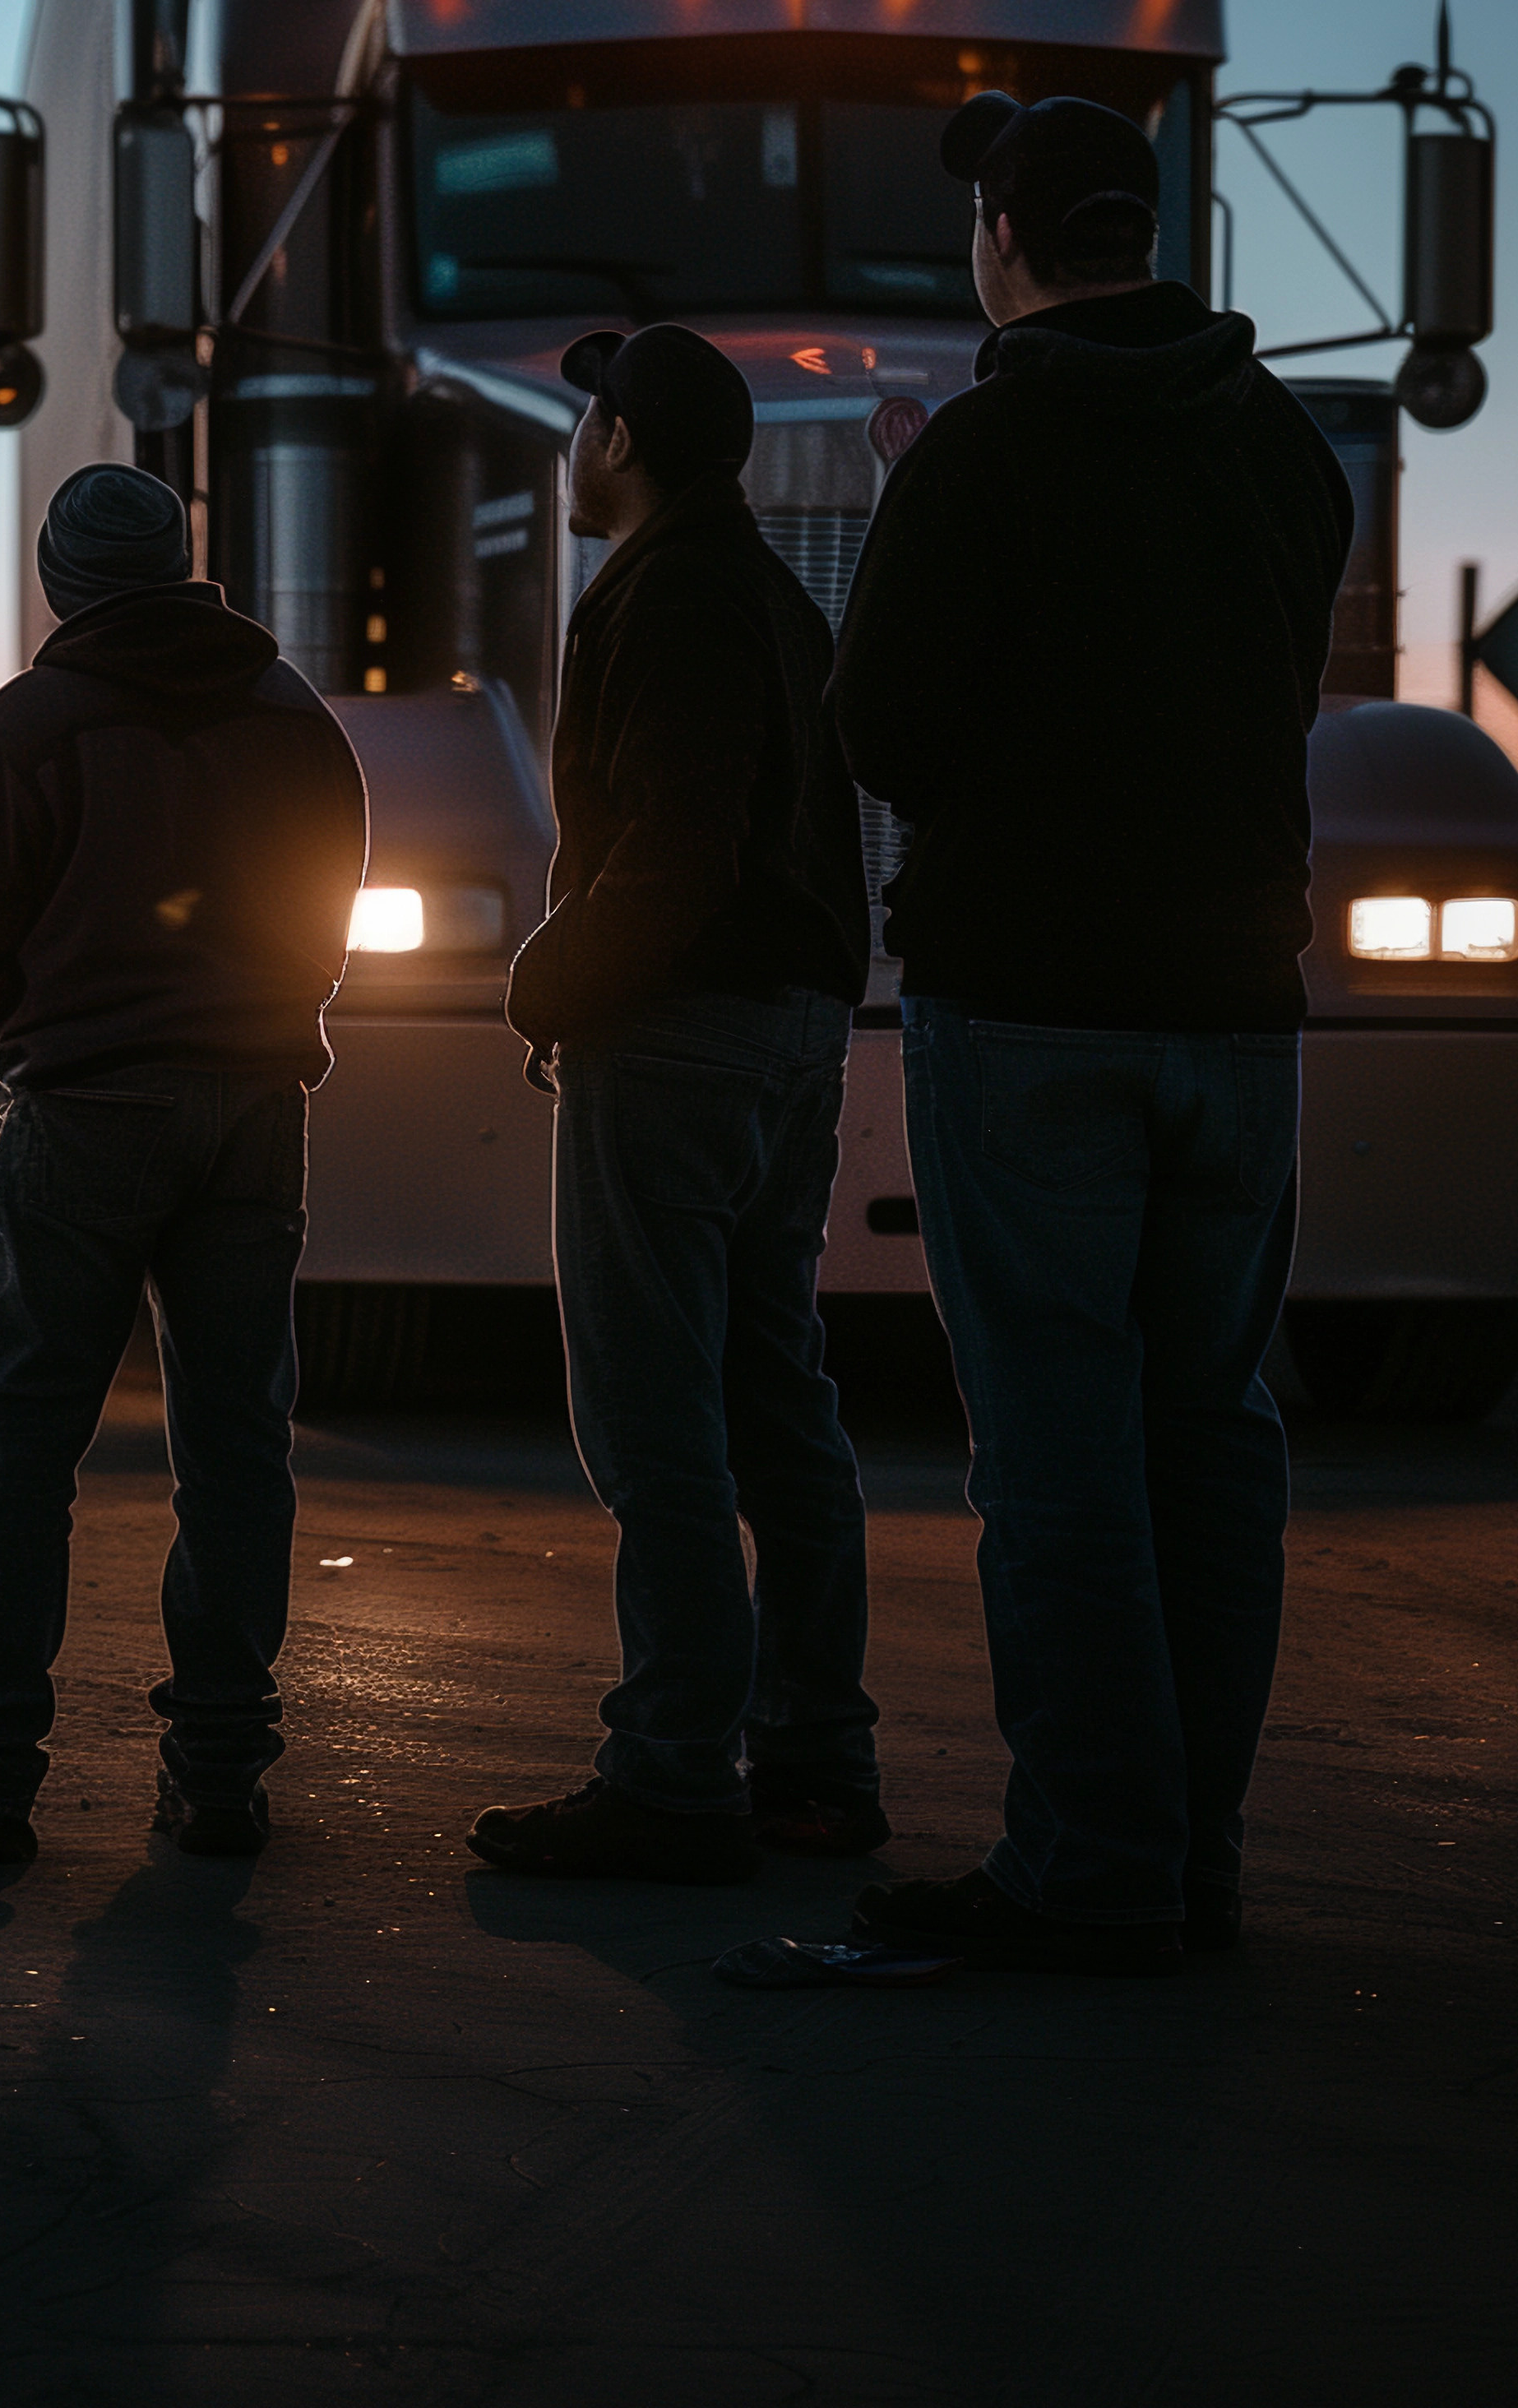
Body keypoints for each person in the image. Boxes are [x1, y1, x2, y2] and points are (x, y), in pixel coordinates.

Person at [826, 93, 1350, 1977]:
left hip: (1029, 1009)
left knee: (1053, 1452)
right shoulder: (1281, 445)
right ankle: (1184, 1856)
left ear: (1002, 239)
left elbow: (878, 728)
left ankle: (1087, 1866)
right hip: (1236, 1015)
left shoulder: (978, 450)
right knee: (1207, 1440)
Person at [0, 462, 368, 1864]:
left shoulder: (27, 728)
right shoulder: (295, 722)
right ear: (181, 567)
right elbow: (330, 930)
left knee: (19, 1445)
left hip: (88, 1115)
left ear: (63, 582)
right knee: (237, 1444)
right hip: (255, 1109)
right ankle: (223, 1771)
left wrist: (49, 1039)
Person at [470, 324, 879, 1888]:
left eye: (587, 420)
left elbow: (676, 844)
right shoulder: (774, 593)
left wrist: (551, 985)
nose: (573, 446)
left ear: (624, 439)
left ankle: (673, 1777)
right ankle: (814, 1765)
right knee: (779, 1403)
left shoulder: (671, 594)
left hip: (680, 1035)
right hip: (788, 1032)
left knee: (658, 1424)